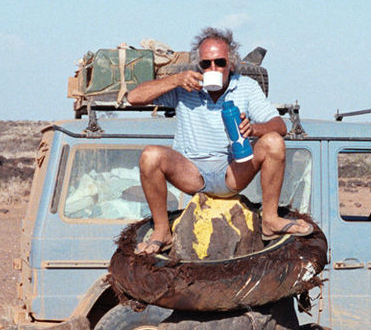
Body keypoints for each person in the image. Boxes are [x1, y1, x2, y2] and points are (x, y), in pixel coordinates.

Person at [126, 28, 313, 254]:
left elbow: (280, 127)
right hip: (191, 173)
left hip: (232, 172)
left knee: (273, 141)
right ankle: (162, 230)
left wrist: (253, 129)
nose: (213, 69)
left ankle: (270, 220)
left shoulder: (245, 86)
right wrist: (174, 80)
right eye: (206, 64)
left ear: (231, 64)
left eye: (219, 62)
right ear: (198, 66)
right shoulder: (184, 87)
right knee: (150, 155)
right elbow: (133, 97)